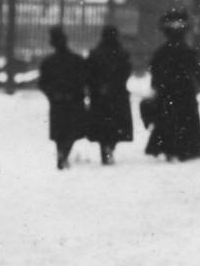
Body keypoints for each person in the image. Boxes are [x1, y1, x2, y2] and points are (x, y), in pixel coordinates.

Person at [144, 7, 200, 162]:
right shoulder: (188, 51)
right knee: (186, 119)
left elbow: (155, 70)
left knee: (167, 119)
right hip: (185, 91)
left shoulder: (162, 52)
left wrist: (156, 86)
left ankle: (169, 148)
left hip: (167, 91)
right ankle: (187, 148)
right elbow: (196, 68)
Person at [38, 26, 88, 170]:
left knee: (60, 132)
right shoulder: (77, 60)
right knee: (72, 130)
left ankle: (62, 153)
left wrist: (52, 95)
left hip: (57, 101)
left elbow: (43, 83)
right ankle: (64, 155)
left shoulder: (48, 63)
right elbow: (84, 79)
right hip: (74, 100)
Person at [84, 25, 134, 166]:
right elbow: (126, 72)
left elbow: (88, 74)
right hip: (117, 94)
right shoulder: (122, 54)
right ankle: (110, 147)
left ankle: (105, 148)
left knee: (102, 126)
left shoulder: (95, 53)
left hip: (99, 95)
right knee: (116, 125)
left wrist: (96, 87)